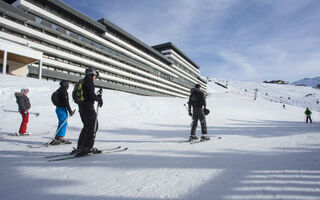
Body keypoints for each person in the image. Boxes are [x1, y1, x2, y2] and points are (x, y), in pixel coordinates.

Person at [75, 68, 103, 156]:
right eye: (95, 76)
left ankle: (80, 146)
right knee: (93, 126)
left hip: (82, 106)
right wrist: (99, 99)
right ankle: (87, 147)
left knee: (86, 126)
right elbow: (91, 95)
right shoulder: (89, 81)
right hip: (88, 107)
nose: (95, 78)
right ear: (92, 75)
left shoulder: (82, 81)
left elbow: (87, 94)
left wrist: (96, 97)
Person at [51, 80, 74, 145]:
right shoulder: (64, 91)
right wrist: (70, 111)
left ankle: (58, 137)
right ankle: (60, 137)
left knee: (62, 123)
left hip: (59, 108)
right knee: (63, 123)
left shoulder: (59, 90)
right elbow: (66, 102)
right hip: (62, 109)